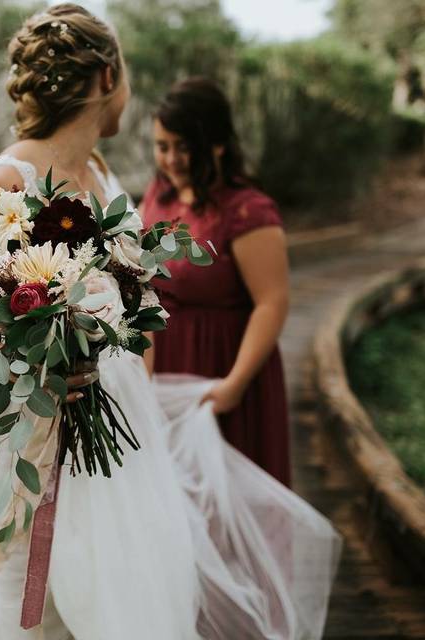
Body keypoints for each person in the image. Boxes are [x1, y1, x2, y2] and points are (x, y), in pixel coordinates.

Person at [0, 6, 340, 639]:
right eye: (123, 73)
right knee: (29, 604)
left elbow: (135, 308)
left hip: (119, 422)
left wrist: (138, 380)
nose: (127, 90)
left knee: (118, 590)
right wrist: (33, 368)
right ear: (104, 78)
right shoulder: (3, 183)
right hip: (32, 427)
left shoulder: (102, 175)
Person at [142, 77, 292, 487]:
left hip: (222, 365)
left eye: (184, 147)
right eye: (162, 146)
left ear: (218, 145)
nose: (171, 159)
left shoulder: (247, 212)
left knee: (225, 496)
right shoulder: (159, 195)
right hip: (165, 362)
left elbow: (272, 302)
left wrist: (236, 383)